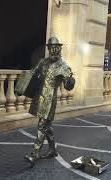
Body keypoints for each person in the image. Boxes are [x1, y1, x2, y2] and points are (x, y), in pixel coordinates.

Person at [22, 37, 75, 166]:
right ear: (49, 49)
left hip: (50, 100)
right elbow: (33, 74)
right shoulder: (43, 62)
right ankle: (52, 150)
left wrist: (71, 82)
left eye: (56, 48)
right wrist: (23, 84)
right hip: (40, 97)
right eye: (52, 48)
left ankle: (34, 155)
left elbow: (68, 86)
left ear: (60, 49)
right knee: (47, 127)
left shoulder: (64, 66)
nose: (54, 50)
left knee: (41, 125)